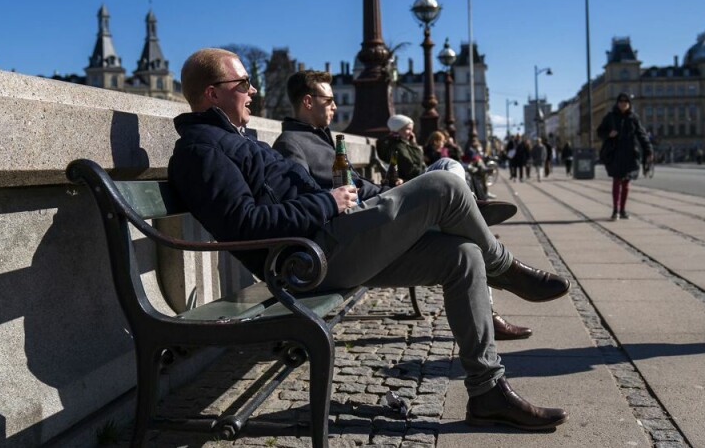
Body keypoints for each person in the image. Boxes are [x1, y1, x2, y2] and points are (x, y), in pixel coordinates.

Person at [168, 49, 568, 429]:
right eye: (243, 83)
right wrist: (327, 202)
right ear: (212, 92)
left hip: (330, 244)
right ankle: (503, 266)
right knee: (445, 184)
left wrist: (344, 201)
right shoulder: (200, 150)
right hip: (307, 263)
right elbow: (246, 224)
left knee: (462, 255)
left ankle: (487, 392)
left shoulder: (239, 140)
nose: (252, 90)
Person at [275, 71, 531, 341]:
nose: (335, 106)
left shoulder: (323, 138)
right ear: (307, 102)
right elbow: (305, 202)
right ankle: (473, 223)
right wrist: (335, 198)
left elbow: (360, 184)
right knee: (452, 203)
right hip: (350, 234)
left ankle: (464, 210)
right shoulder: (291, 144)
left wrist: (390, 189)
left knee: (450, 171)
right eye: (329, 100)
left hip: (371, 210)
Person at [597, 93, 652, 221]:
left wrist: (648, 150)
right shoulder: (610, 117)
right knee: (617, 181)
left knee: (626, 182)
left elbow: (642, 135)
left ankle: (622, 210)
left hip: (630, 153)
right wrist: (609, 134)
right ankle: (615, 210)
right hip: (615, 153)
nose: (623, 104)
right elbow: (600, 132)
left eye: (626, 102)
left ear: (629, 104)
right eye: (621, 101)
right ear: (617, 103)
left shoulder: (633, 118)